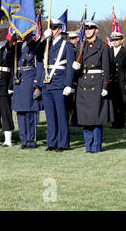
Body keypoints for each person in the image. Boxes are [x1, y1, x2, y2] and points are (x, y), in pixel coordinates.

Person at [73, 21, 112, 153]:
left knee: (96, 117)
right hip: (83, 83)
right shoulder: (82, 46)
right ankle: (88, 146)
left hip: (96, 84)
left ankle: (96, 146)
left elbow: (107, 69)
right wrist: (76, 68)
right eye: (86, 29)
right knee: (85, 117)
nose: (88, 31)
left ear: (96, 30)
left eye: (90, 28)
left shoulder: (103, 47)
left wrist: (105, 86)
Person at [40, 19, 75, 152]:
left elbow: (70, 67)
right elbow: (37, 54)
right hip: (47, 84)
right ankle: (52, 142)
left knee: (61, 115)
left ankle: (63, 143)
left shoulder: (66, 45)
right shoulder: (47, 43)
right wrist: (44, 38)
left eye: (54, 28)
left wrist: (68, 84)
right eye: (51, 28)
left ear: (60, 29)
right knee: (50, 116)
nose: (52, 30)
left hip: (60, 83)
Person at [12, 32, 43, 149]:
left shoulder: (36, 46)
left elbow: (39, 66)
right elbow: (7, 58)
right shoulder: (17, 46)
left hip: (30, 79)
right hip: (19, 79)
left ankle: (30, 140)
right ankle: (23, 140)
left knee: (29, 112)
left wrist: (37, 83)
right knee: (20, 112)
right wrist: (11, 43)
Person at [109, 31, 125, 129]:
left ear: (121, 40)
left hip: (122, 81)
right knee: (113, 103)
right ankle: (114, 124)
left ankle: (121, 124)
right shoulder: (110, 51)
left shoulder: (124, 51)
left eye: (117, 40)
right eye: (113, 40)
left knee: (122, 103)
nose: (115, 41)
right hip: (112, 81)